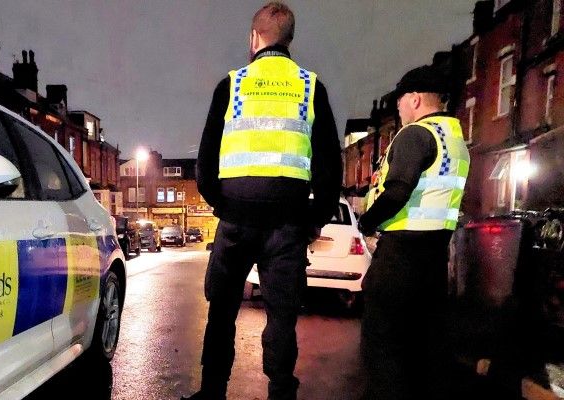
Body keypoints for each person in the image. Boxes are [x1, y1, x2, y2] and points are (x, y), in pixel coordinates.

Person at [183, 3, 342, 399]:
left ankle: (213, 392)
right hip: (287, 227)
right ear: (289, 39)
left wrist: (224, 204)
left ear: (254, 38)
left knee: (221, 313)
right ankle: (281, 393)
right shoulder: (310, 87)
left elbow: (205, 162)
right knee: (282, 318)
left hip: (235, 223)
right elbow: (328, 165)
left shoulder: (232, 85)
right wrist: (314, 217)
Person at [357, 65, 471, 400]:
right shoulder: (455, 141)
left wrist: (367, 222)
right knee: (421, 352)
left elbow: (398, 189)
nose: (400, 110)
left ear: (416, 99)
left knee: (384, 350)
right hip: (434, 259)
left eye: (401, 103)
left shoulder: (416, 135)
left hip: (399, 259)